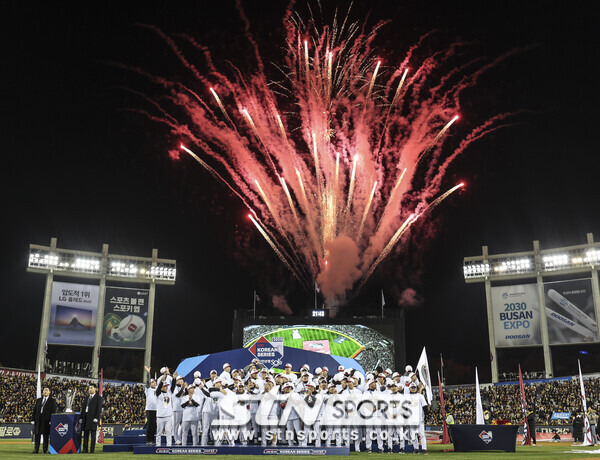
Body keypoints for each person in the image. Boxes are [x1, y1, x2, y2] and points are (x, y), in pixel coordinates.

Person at [30, 387, 58, 454]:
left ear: (49, 392)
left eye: (47, 390)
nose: (45, 392)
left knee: (45, 436)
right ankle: (36, 450)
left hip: (46, 421)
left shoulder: (52, 401)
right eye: (44, 390)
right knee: (37, 435)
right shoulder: (39, 400)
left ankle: (44, 450)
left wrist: (52, 420)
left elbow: (53, 411)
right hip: (38, 420)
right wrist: (33, 419)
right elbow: (35, 410)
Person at [80, 383, 102, 454]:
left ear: (95, 389)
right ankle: (85, 449)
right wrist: (81, 417)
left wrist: (97, 418)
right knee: (85, 435)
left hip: (93, 419)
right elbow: (83, 409)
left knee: (93, 436)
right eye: (89, 388)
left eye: (91, 388)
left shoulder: (98, 398)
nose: (90, 389)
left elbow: (99, 409)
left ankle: (92, 450)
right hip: (86, 418)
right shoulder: (86, 398)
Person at [144, 366, 158, 444]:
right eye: (153, 382)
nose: (154, 383)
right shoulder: (148, 389)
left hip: (156, 409)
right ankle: (148, 440)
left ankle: (152, 439)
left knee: (154, 425)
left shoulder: (157, 390)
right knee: (150, 425)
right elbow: (147, 381)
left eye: (155, 382)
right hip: (149, 409)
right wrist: (148, 373)